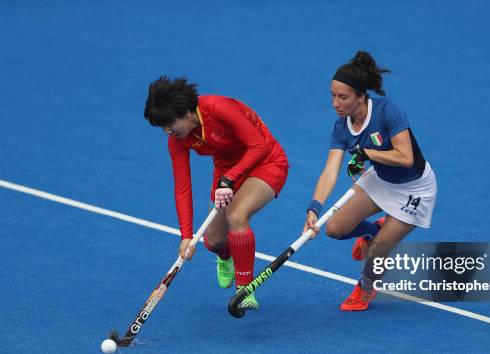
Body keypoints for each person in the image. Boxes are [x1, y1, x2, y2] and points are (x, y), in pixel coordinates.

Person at [304, 51, 437, 311]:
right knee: (334, 229)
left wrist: (365, 153)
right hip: (380, 179)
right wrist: (314, 207)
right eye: (332, 96)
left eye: (343, 97)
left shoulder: (387, 111)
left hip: (414, 189)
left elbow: (405, 157)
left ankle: (365, 288)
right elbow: (330, 170)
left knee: (376, 253)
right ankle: (373, 230)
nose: (335, 103)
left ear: (361, 96)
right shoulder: (341, 127)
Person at [144, 76, 289, 310]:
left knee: (237, 216)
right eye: (162, 127)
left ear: (185, 112)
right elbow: (182, 187)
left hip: (266, 161)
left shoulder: (219, 108)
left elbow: (259, 146)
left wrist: (229, 178)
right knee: (214, 241)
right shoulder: (178, 140)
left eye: (169, 124)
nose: (167, 131)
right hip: (227, 172)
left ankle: (244, 289)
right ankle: (225, 258)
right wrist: (186, 235)